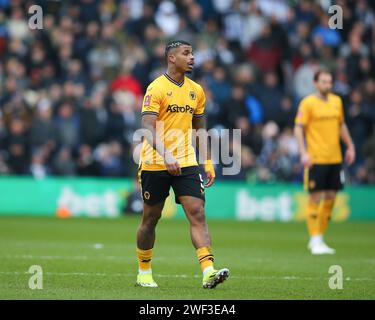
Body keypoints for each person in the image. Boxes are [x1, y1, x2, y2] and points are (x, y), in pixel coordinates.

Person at [136, 40, 229, 288]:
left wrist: (207, 161)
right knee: (150, 219)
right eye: (186, 53)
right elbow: (146, 128)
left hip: (186, 161)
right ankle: (144, 270)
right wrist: (166, 154)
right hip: (156, 161)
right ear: (171, 58)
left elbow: (200, 129)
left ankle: (208, 270)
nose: (192, 57)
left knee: (197, 213)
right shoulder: (155, 88)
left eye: (192, 53)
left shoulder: (196, 90)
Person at [294, 69, 355, 255]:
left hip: (335, 157)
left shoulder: (337, 101)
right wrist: (304, 152)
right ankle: (314, 238)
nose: (327, 85)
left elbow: (341, 125)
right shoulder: (308, 103)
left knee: (331, 198)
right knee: (315, 197)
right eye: (323, 81)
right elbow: (298, 128)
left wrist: (350, 146)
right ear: (315, 83)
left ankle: (320, 237)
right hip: (316, 158)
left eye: (329, 82)